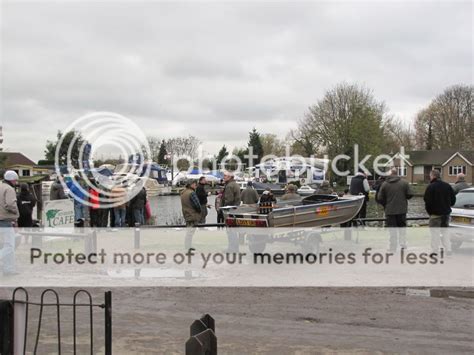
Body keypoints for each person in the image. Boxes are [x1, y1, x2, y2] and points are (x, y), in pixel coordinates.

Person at [377, 167, 413, 251]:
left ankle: (392, 247)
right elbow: (410, 194)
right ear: (397, 173)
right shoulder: (404, 183)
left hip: (390, 210)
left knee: (392, 230)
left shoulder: (385, 184)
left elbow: (379, 198)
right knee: (402, 228)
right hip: (402, 210)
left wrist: (386, 204)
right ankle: (403, 244)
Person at [424, 170, 456, 254]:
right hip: (446, 214)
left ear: (433, 176)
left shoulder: (430, 187)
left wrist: (430, 212)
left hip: (435, 215)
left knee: (435, 233)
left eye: (430, 176)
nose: (429, 177)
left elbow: (427, 201)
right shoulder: (447, 186)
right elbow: (453, 200)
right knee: (445, 232)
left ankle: (435, 251)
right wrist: (447, 207)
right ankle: (448, 250)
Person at [0, 170, 20, 276]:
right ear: (12, 180)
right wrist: (16, 213)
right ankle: (8, 268)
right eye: (16, 180)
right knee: (9, 246)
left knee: (4, 245)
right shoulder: (9, 189)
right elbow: (10, 204)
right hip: (5, 220)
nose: (16, 182)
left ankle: (8, 269)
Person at [180, 180, 202, 249]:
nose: (196, 185)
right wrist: (199, 211)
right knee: (190, 233)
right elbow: (197, 205)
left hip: (186, 214)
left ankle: (188, 246)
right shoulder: (192, 193)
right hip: (192, 215)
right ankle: (188, 246)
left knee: (189, 232)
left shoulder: (183, 192)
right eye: (195, 184)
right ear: (191, 184)